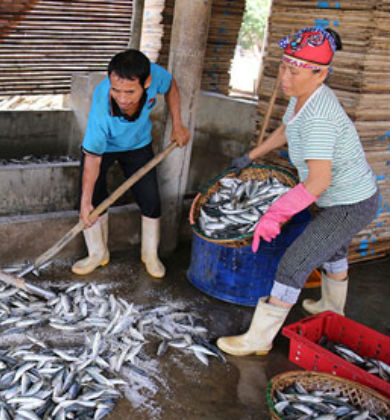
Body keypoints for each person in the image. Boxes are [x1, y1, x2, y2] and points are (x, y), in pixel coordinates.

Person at [217, 27, 379, 356]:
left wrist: (276, 213)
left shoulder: (319, 116)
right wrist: (251, 156)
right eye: (283, 66)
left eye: (294, 70)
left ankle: (258, 340)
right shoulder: (305, 98)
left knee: (294, 264)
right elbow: (286, 129)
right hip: (347, 198)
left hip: (350, 203)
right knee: (332, 249)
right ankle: (332, 310)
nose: (285, 77)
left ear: (320, 73)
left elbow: (319, 182)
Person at [73, 49, 190, 278]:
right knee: (93, 198)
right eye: (116, 90)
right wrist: (85, 203)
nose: (122, 98)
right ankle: (98, 253)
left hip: (138, 144)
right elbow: (93, 158)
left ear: (146, 83)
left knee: (150, 199)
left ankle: (150, 254)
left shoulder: (156, 76)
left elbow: (172, 86)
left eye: (129, 91)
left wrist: (178, 124)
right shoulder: (101, 104)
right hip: (104, 148)